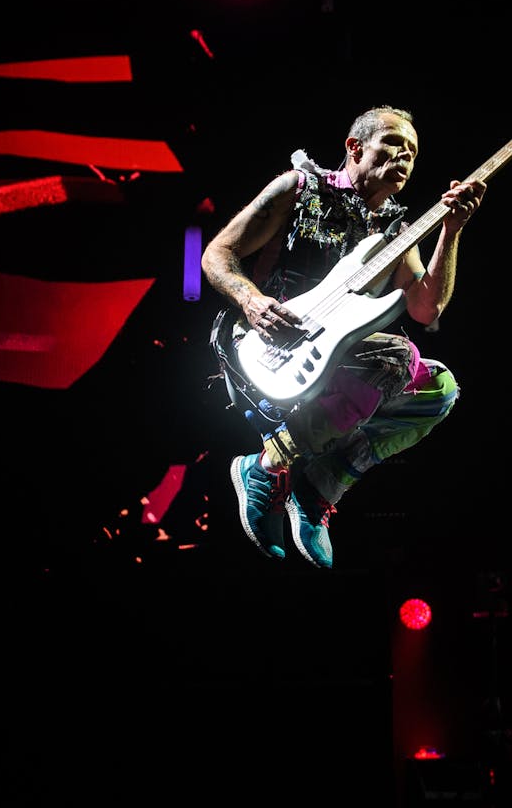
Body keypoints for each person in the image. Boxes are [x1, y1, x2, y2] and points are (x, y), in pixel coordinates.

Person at [201, 104, 486, 569]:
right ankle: (267, 467)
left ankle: (316, 487)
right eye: (394, 143)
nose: (405, 157)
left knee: (439, 389)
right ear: (354, 147)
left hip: (335, 356)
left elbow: (425, 307)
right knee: (397, 358)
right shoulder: (298, 188)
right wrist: (252, 303)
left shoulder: (398, 232)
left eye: (413, 152)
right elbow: (217, 254)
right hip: (263, 344)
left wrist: (450, 232)